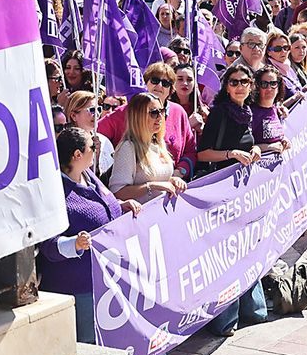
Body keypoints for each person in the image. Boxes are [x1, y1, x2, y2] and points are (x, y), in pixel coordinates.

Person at [38, 126, 174, 355]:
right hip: (78, 284)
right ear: (78, 154)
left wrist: (122, 206)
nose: (97, 150)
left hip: (107, 274)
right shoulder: (56, 193)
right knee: (89, 343)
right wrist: (75, 244)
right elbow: (47, 246)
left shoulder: (89, 176)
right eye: (93, 146)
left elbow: (105, 206)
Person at [194, 63, 270, 334]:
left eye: (244, 82)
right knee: (227, 254)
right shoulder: (220, 113)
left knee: (247, 247)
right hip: (221, 194)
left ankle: (253, 309)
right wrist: (231, 155)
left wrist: (255, 149)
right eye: (234, 82)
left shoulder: (246, 112)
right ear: (226, 87)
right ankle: (224, 319)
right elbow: (202, 154)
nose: (239, 87)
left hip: (243, 195)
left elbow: (247, 143)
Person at [108, 92, 190, 203]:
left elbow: (157, 179)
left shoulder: (158, 143)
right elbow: (117, 192)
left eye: (162, 111)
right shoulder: (128, 147)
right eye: (154, 112)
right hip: (142, 212)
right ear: (138, 116)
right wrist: (151, 186)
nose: (160, 117)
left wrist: (172, 180)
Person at [63, 90, 116, 179]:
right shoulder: (65, 145)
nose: (97, 114)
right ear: (73, 116)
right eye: (92, 110)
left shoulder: (104, 141)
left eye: (98, 109)